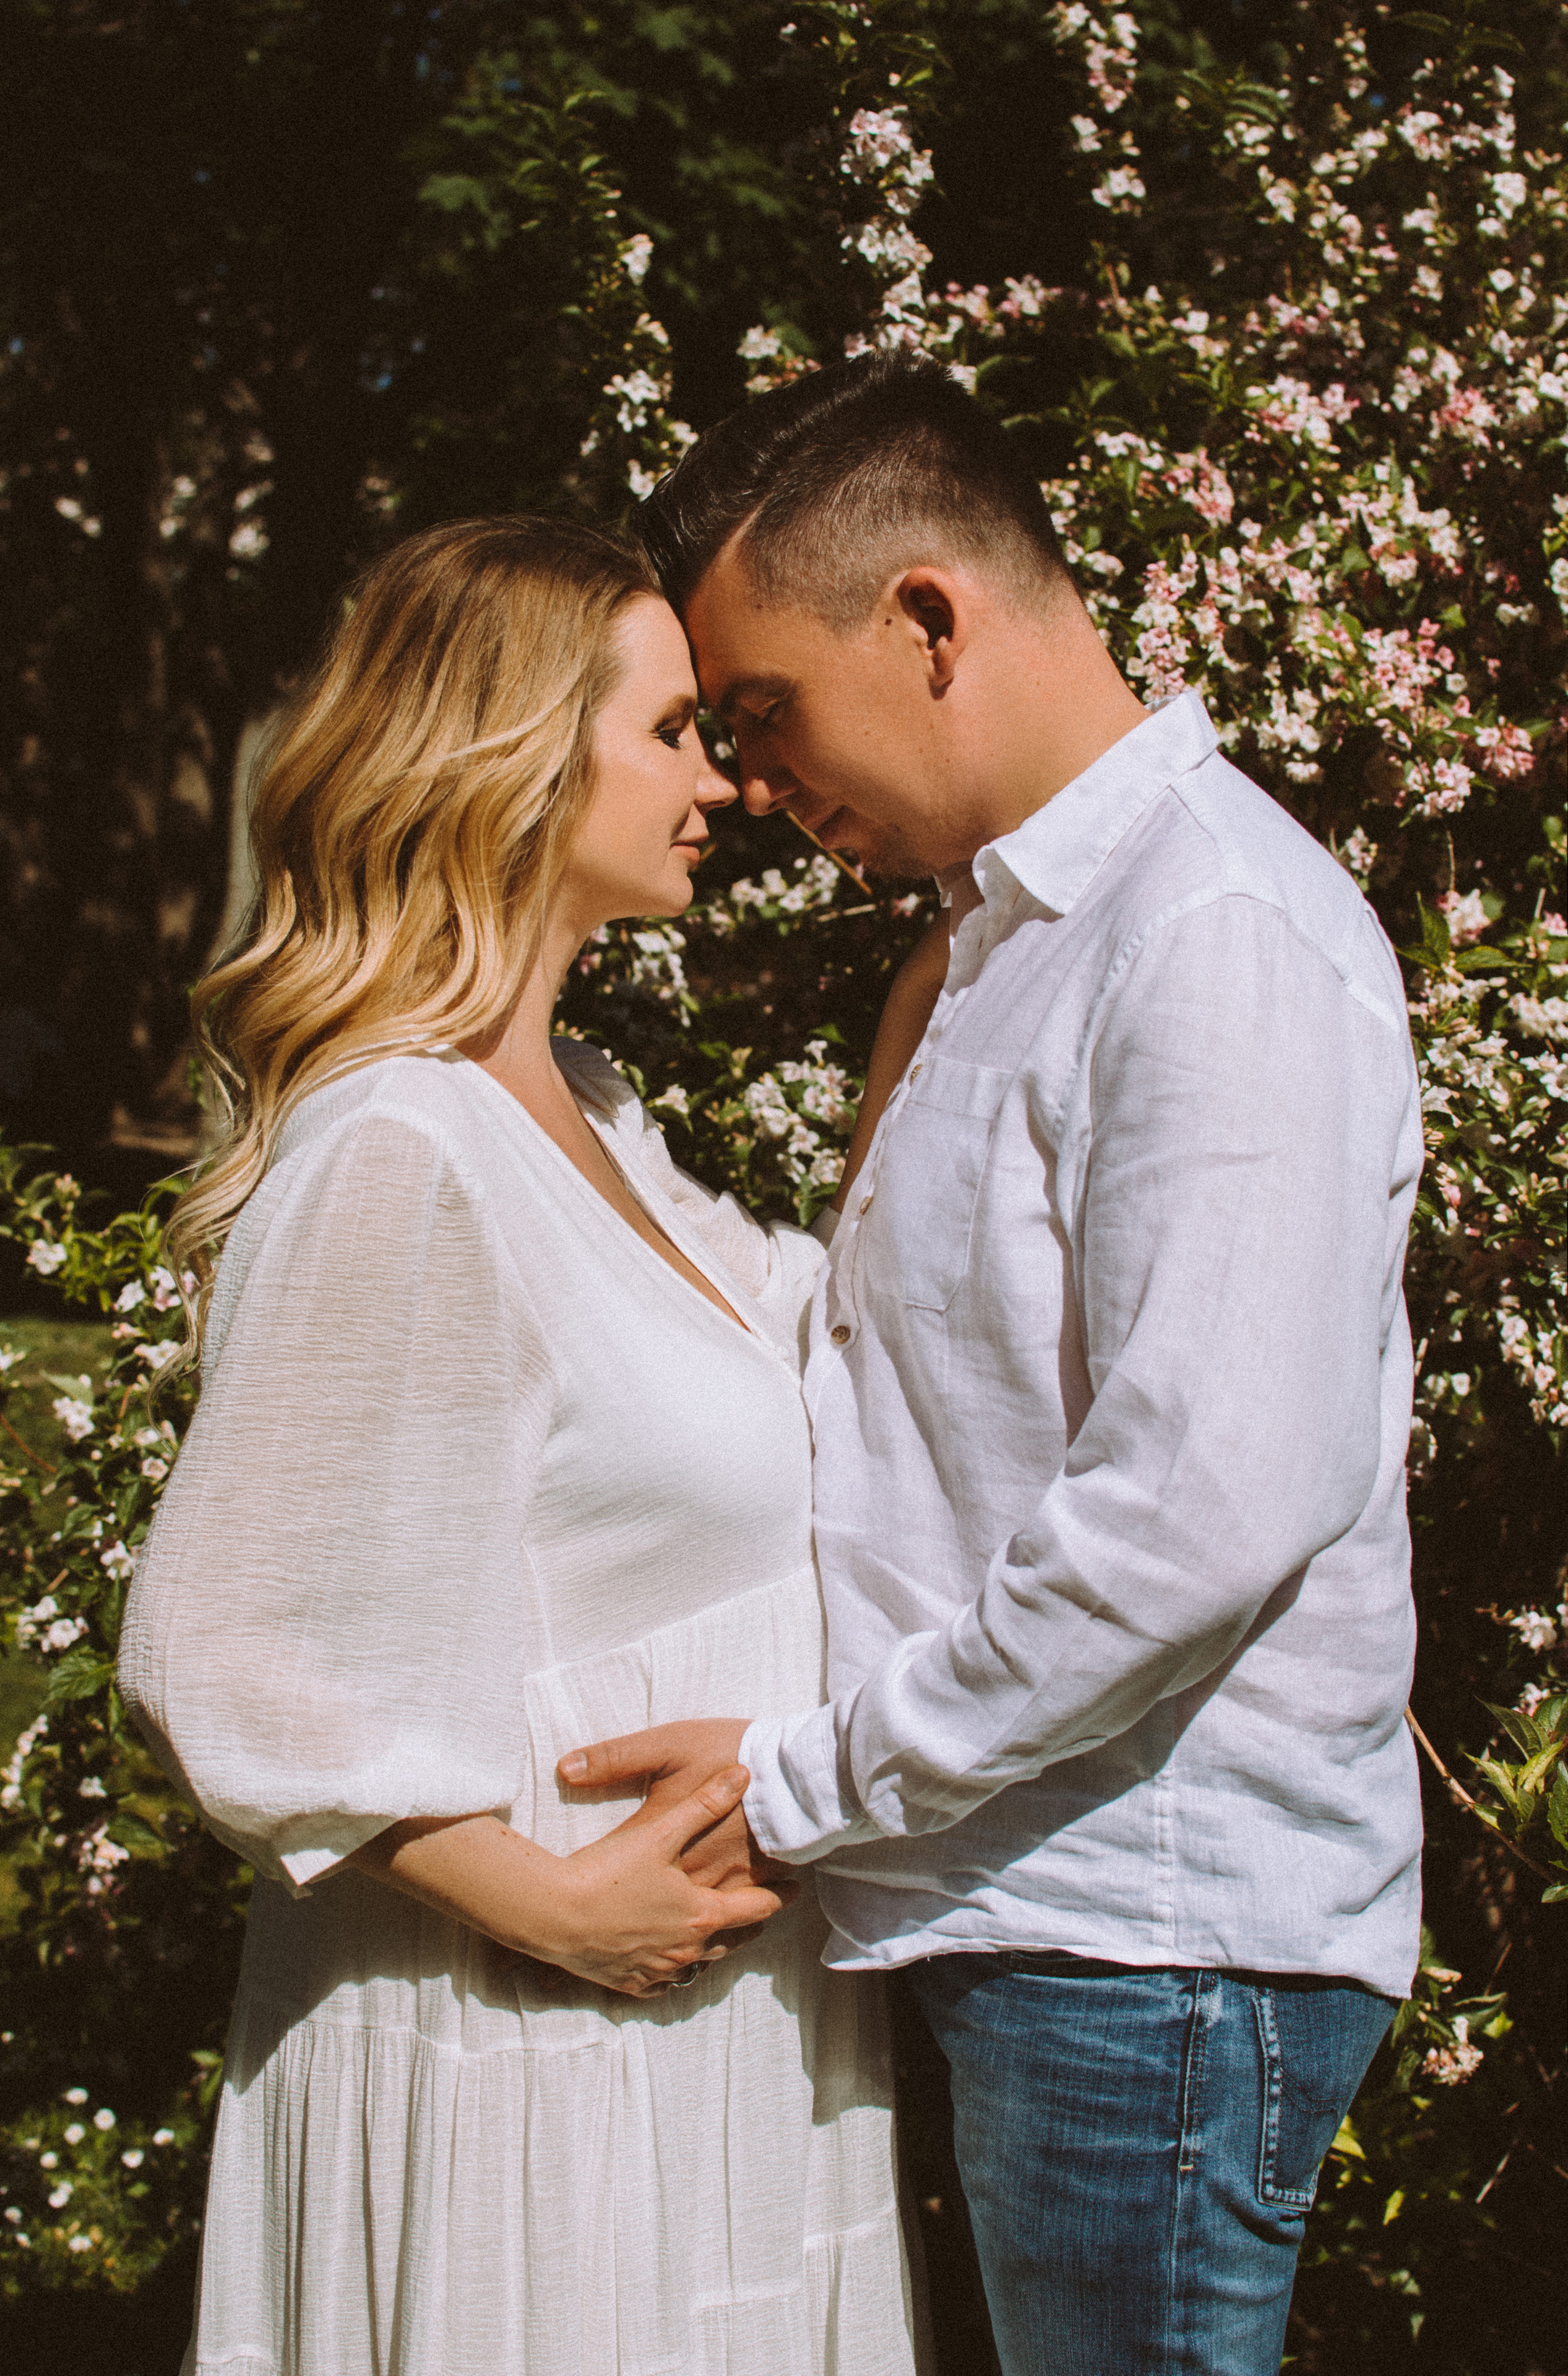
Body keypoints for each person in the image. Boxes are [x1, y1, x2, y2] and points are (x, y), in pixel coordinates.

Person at [559, 353, 1426, 2376]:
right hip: (1039, 1910)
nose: (754, 786)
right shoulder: (998, 943)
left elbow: (1194, 1511)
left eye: (764, 711)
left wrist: (803, 1784)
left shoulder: (1212, 932)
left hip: (1152, 1938)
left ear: (928, 618)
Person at [116, 515, 924, 2376]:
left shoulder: (593, 1114)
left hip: (697, 2030)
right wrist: (552, 1901)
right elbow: (223, 1645)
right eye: (669, 733)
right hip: (524, 2040)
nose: (718, 778)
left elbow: (819, 1334)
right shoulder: (404, 1143)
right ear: (514, 760)